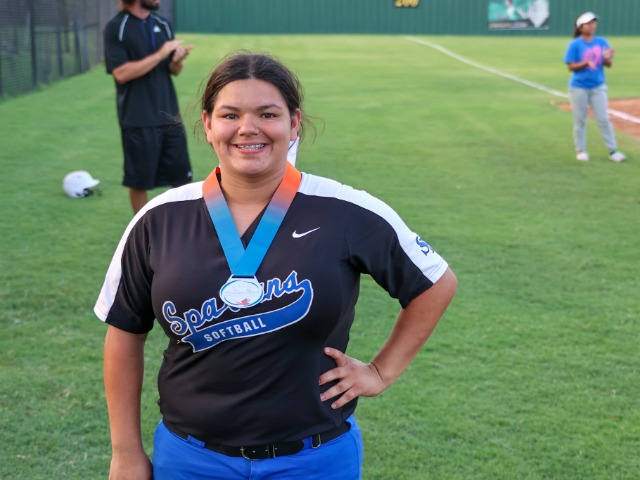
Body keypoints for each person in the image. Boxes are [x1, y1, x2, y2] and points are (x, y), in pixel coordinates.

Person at [95, 51, 457, 480]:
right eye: (230, 115)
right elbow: (125, 333)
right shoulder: (160, 218)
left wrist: (381, 371)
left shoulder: (345, 211)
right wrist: (125, 452)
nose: (248, 128)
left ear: (294, 123)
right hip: (191, 459)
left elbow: (435, 282)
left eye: (268, 114)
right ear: (208, 124)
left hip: (315, 460)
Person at [104, 0, 194, 214]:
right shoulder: (116, 27)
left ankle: (183, 228)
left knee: (182, 180)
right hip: (138, 118)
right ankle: (142, 230)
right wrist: (160, 54)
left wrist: (177, 60)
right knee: (139, 182)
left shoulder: (163, 24)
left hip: (170, 115)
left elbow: (174, 70)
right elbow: (121, 73)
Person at [564, 11, 626, 163]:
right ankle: (581, 150)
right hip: (578, 87)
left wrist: (607, 59)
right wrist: (585, 63)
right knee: (580, 121)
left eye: (594, 23)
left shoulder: (602, 42)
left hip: (598, 86)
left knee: (603, 119)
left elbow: (608, 65)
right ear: (580, 27)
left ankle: (613, 151)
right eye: (589, 23)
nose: (592, 26)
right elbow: (570, 66)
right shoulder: (575, 44)